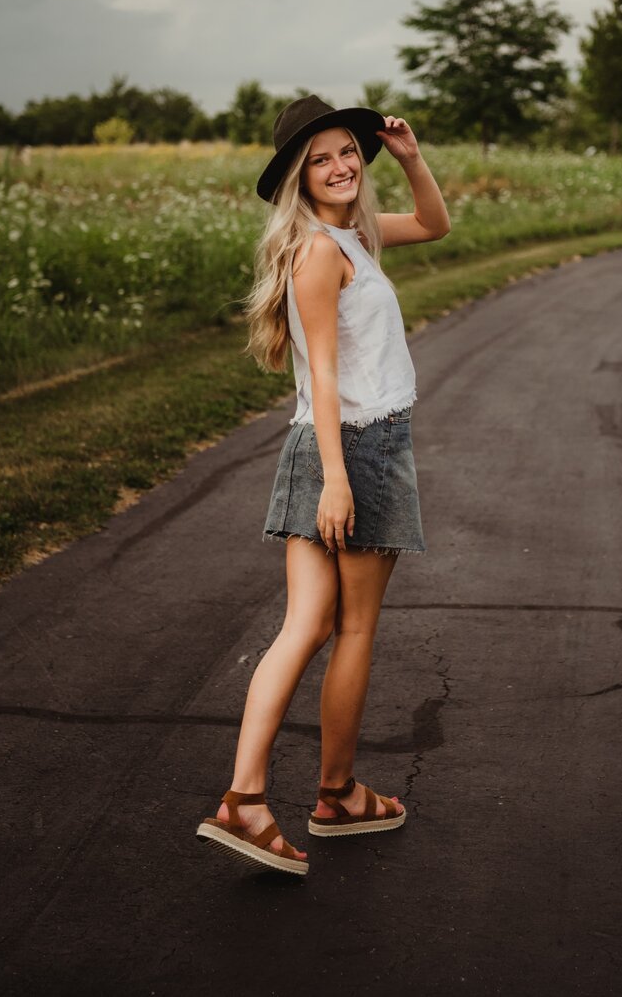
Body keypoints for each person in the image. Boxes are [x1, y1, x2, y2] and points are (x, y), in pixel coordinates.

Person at [196, 95, 450, 876]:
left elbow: (436, 225)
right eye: (320, 159)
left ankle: (246, 800)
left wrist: (409, 158)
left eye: (348, 152)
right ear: (297, 179)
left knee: (305, 626)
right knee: (351, 630)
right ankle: (333, 794)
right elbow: (328, 377)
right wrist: (338, 482)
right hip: (355, 449)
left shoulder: (351, 236)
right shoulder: (318, 253)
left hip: (331, 447)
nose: (340, 166)